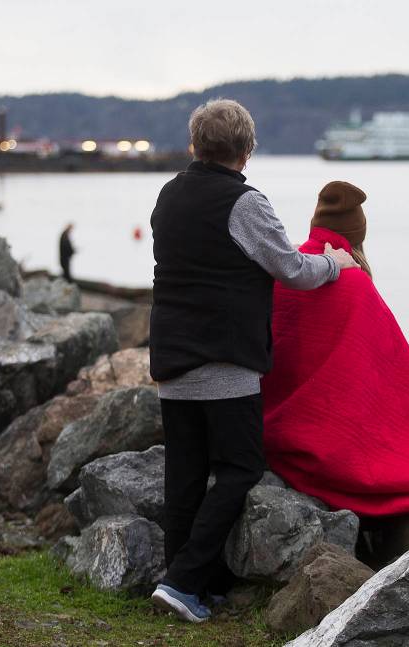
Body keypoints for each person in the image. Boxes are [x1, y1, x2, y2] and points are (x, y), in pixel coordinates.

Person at [148, 99, 358, 623]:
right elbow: (292, 270)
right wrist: (334, 263)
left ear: (195, 145)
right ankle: (182, 582)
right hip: (224, 361)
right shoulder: (244, 203)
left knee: (186, 478)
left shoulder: (168, 195)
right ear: (247, 150)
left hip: (172, 358)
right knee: (241, 468)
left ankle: (190, 584)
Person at [260, 181, 409, 522]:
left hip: (273, 425)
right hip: (330, 437)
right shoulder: (354, 283)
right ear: (357, 236)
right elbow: (395, 366)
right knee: (393, 358)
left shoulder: (287, 272)